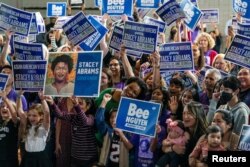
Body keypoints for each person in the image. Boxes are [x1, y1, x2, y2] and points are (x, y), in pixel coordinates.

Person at [47, 96, 98, 167]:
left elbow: (84, 121)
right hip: (75, 158)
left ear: (88, 106)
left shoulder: (91, 118)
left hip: (88, 159)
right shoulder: (73, 117)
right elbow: (60, 115)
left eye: (80, 103)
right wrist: (52, 103)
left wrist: (77, 105)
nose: (76, 105)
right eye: (75, 104)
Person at [95, 94, 132, 167]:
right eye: (112, 117)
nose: (114, 120)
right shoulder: (107, 131)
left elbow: (131, 148)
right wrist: (104, 102)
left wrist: (121, 134)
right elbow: (99, 120)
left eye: (117, 117)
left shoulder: (128, 133)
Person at [18, 91, 52, 167]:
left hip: (40, 159)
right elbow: (20, 111)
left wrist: (43, 100)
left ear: (41, 116)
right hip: (27, 157)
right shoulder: (27, 125)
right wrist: (19, 96)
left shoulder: (44, 127)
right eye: (29, 115)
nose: (31, 118)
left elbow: (47, 112)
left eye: (34, 115)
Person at [0, 90, 19, 167]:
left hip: (10, 159)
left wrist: (5, 99)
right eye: (2, 106)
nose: (5, 108)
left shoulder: (13, 122)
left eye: (8, 107)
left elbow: (14, 115)